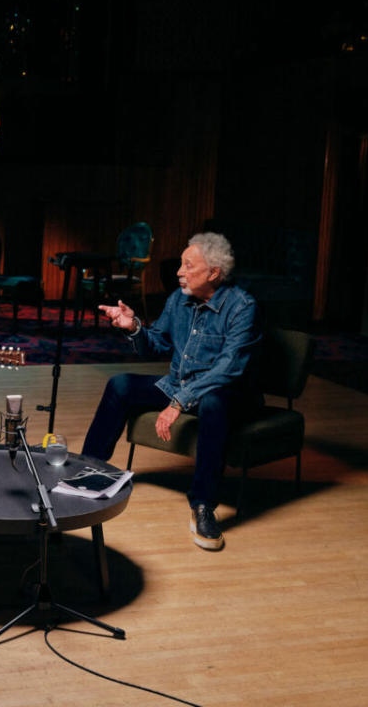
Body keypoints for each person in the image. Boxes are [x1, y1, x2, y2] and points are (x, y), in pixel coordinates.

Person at [81, 232, 262, 550]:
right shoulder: (179, 298)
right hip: (179, 386)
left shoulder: (242, 307)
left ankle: (204, 505)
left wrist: (178, 402)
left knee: (214, 404)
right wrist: (134, 326)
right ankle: (88, 471)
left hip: (228, 395)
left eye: (188, 265)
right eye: (180, 264)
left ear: (213, 272)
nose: (179, 271)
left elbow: (228, 369)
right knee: (120, 384)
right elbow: (157, 343)